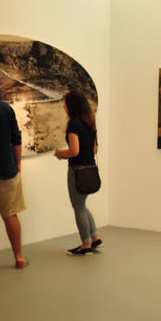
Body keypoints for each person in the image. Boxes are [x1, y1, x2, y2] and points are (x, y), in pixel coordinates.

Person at [54, 90, 102, 256]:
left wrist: (60, 153)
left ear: (71, 105)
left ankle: (85, 243)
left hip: (77, 171)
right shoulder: (90, 123)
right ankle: (95, 237)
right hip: (90, 170)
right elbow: (94, 149)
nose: (63, 106)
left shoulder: (74, 124)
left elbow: (74, 151)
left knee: (78, 207)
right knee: (82, 205)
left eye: (65, 103)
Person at [0, 98, 29, 269]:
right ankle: (19, 258)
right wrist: (18, 163)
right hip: (6, 168)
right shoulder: (5, 108)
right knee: (10, 215)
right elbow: (16, 139)